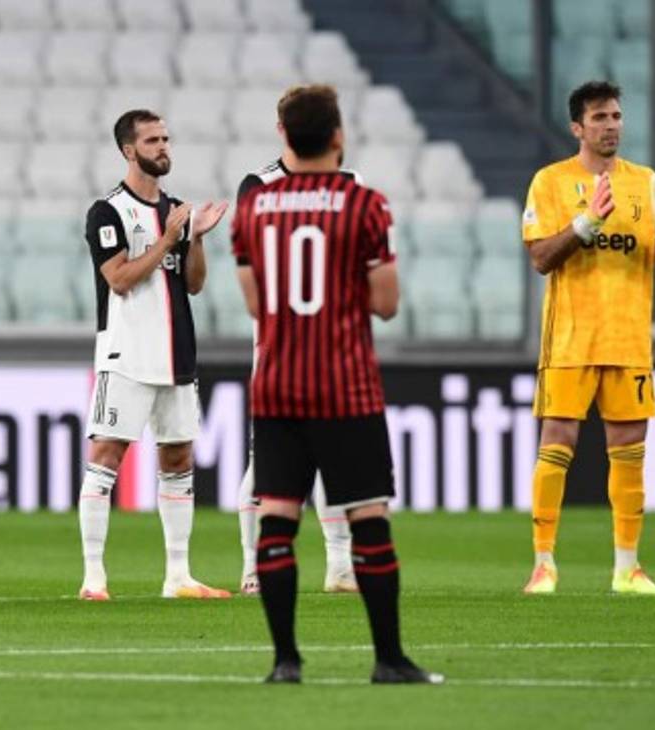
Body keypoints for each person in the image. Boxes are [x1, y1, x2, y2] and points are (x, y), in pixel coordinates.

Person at [231, 84, 442, 685]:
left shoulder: (253, 208)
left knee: (277, 518)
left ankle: (285, 661)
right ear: (338, 135)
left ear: (285, 135)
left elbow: (254, 302)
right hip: (344, 382)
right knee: (369, 517)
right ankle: (389, 659)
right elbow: (386, 303)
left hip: (278, 381)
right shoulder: (365, 205)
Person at [521, 81, 655, 595]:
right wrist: (584, 225)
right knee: (557, 443)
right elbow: (540, 258)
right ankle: (543, 565)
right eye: (599, 117)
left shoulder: (644, 182)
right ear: (577, 127)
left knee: (630, 452)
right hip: (570, 339)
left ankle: (628, 569)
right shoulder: (550, 182)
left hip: (628, 340)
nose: (611, 125)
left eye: (616, 115)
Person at [78, 109, 230, 601]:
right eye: (152, 140)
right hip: (127, 351)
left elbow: (194, 284)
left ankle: (178, 576)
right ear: (129, 150)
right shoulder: (107, 211)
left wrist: (196, 239)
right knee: (107, 455)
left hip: (176, 350)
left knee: (179, 455)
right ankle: (93, 577)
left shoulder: (177, 210)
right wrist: (166, 239)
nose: (163, 146)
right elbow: (119, 279)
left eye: (166, 138)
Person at [233, 91, 364, 596]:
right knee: (267, 461)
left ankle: (340, 566)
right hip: (279, 345)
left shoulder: (352, 183)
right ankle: (253, 568)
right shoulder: (259, 185)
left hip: (334, 345)